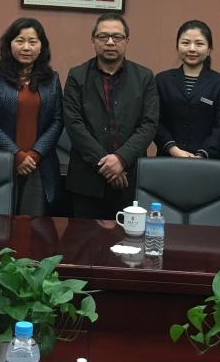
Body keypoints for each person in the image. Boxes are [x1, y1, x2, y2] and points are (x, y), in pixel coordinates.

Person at [63, 12, 159, 220]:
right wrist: (109, 166)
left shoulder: (144, 77)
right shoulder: (77, 76)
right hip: (86, 182)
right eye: (103, 36)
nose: (109, 42)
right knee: (82, 239)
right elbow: (74, 124)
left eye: (117, 37)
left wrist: (121, 159)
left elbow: (149, 124)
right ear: (93, 40)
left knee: (130, 239)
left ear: (127, 41)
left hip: (130, 179)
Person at [0, 18, 64, 215]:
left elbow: (57, 120)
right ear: (9, 44)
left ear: (41, 47)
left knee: (33, 225)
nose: (26, 47)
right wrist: (16, 155)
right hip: (2, 161)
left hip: (38, 165)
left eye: (32, 42)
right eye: (20, 41)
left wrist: (33, 155)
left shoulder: (52, 79)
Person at [154, 20, 220, 159]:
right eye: (185, 43)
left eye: (199, 44)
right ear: (177, 46)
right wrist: (173, 149)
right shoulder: (162, 80)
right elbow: (154, 121)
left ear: (209, 49)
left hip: (208, 161)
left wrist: (203, 154)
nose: (192, 49)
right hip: (168, 159)